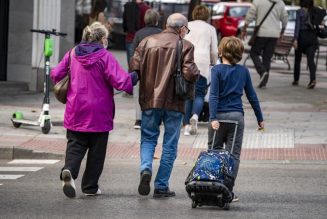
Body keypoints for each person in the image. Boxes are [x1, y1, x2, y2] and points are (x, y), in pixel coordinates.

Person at [50, 22, 138, 198]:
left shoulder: (72, 53)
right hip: (99, 112)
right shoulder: (105, 56)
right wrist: (135, 77)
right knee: (96, 153)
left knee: (75, 145)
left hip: (76, 109)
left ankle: (69, 170)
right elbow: (122, 82)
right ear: (103, 39)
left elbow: (55, 74)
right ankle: (90, 187)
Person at [130, 13, 199, 198]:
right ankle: (161, 186)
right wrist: (197, 72)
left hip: (150, 99)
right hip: (174, 101)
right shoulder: (185, 45)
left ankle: (146, 168)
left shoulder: (146, 42)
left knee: (148, 138)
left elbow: (134, 67)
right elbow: (190, 73)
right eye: (186, 30)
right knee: (170, 144)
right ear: (182, 28)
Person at [209, 36, 264, 201]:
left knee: (214, 152)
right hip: (236, 118)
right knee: (233, 155)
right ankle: (227, 191)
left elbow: (213, 96)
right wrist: (259, 118)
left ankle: (212, 187)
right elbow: (252, 96)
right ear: (239, 53)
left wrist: (212, 117)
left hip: (218, 118)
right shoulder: (243, 71)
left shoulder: (216, 70)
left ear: (221, 51)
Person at [183, 5, 218, 136]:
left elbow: (182, 44)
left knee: (188, 95)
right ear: (207, 15)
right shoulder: (210, 29)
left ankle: (186, 126)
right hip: (202, 63)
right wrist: (213, 63)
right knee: (199, 93)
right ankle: (196, 116)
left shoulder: (187, 26)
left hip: (188, 61)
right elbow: (214, 50)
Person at [241, 0, 288, 88]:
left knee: (254, 53)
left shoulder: (258, 1)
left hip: (262, 33)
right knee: (267, 57)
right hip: (274, 34)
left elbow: (250, 15)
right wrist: (282, 32)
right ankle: (264, 81)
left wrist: (245, 28)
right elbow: (285, 18)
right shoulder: (280, 2)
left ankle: (262, 72)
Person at [131, 9, 162, 129]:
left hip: (141, 69)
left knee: (138, 92)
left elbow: (133, 52)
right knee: (156, 92)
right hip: (157, 68)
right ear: (156, 20)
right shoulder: (161, 33)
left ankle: (138, 120)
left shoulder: (138, 33)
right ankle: (154, 118)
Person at [293, 0, 320, 89]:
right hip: (312, 38)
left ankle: (296, 79)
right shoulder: (315, 11)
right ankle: (313, 79)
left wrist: (295, 39)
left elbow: (297, 26)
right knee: (311, 60)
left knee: (297, 59)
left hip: (302, 37)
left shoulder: (299, 12)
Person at [123, 0, 150, 65]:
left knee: (131, 66)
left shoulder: (128, 6)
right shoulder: (147, 9)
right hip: (143, 40)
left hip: (130, 38)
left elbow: (124, 23)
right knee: (143, 68)